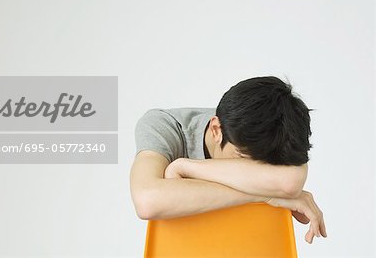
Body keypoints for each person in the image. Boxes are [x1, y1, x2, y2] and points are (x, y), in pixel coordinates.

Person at [129, 76, 327, 244]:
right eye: (243, 159)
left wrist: (186, 168)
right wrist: (265, 196)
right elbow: (147, 200)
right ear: (216, 130)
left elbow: (289, 183)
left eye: (260, 169)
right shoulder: (165, 126)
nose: (253, 174)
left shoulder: (277, 133)